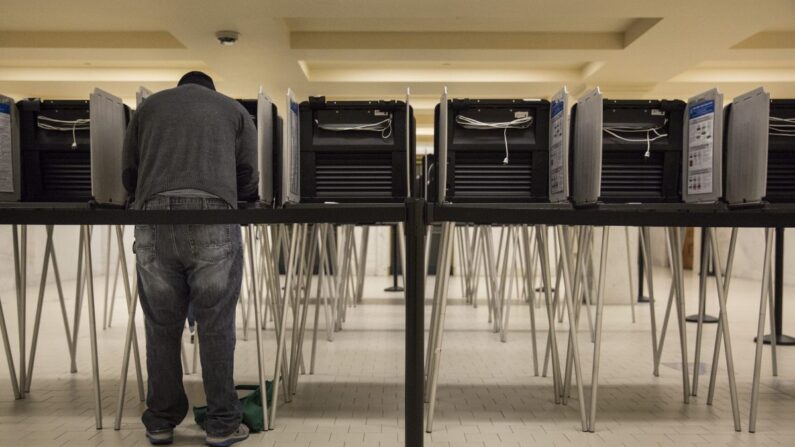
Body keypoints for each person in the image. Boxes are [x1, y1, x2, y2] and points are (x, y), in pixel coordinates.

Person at [122, 71, 258, 446]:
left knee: (161, 326)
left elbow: (129, 172)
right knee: (216, 324)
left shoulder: (147, 109)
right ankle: (222, 424)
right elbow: (248, 174)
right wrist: (237, 194)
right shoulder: (233, 111)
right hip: (213, 217)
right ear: (211, 89)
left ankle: (161, 422)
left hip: (153, 220)